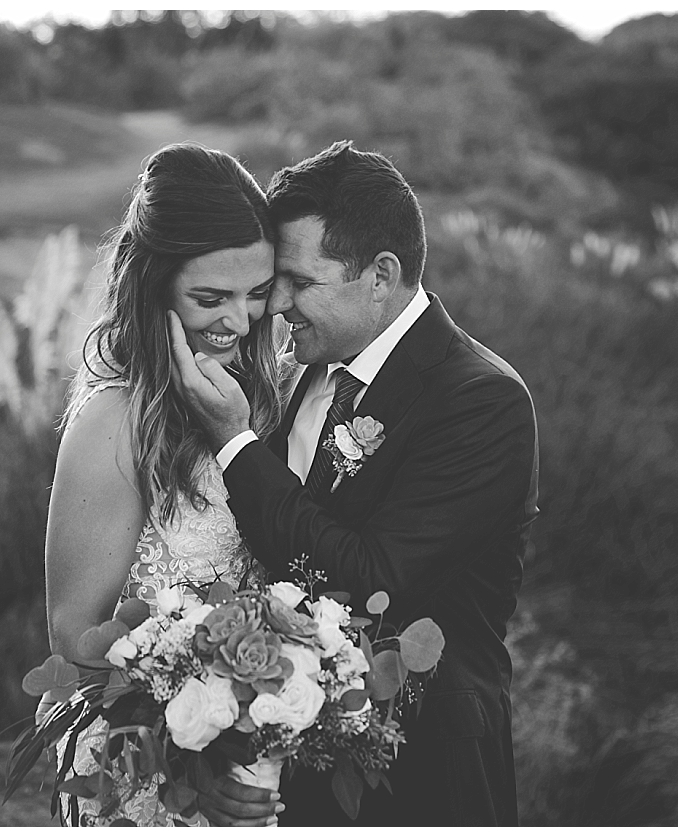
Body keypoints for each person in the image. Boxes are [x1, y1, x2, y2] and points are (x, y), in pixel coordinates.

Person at [170, 141, 538, 826]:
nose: (275, 305)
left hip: (417, 777)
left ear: (381, 274)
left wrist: (234, 441)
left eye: (300, 282)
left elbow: (372, 577)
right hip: (280, 756)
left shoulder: (482, 402)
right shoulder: (302, 364)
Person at [42, 142, 290, 826]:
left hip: (248, 764)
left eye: (257, 293)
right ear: (153, 285)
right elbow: (74, 639)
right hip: (144, 772)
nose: (239, 322)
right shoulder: (113, 422)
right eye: (210, 298)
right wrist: (193, 759)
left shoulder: (264, 396)